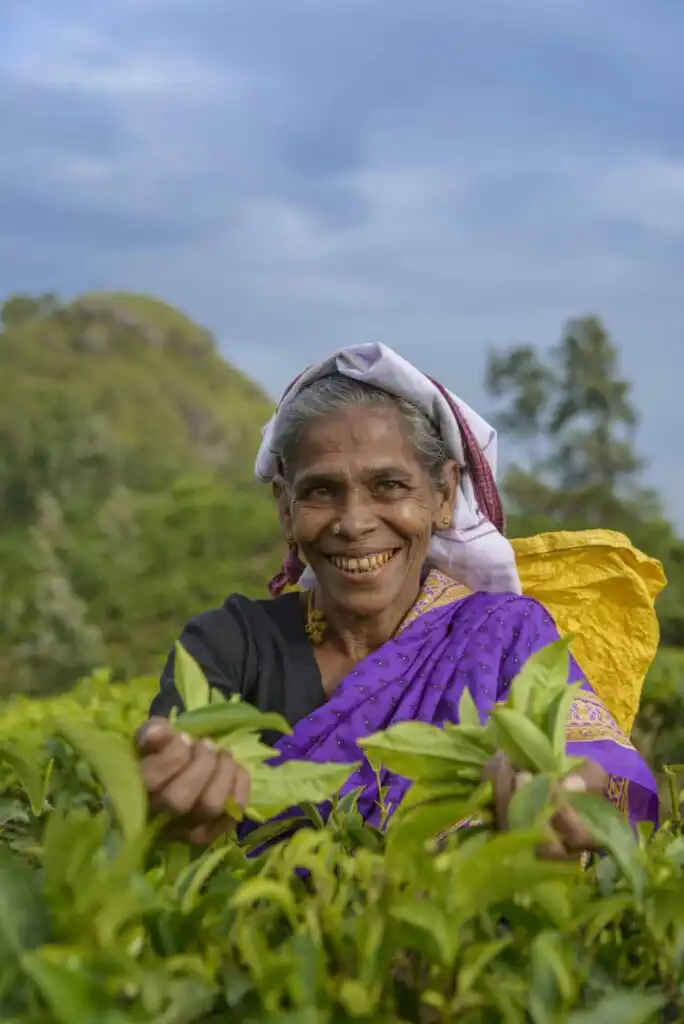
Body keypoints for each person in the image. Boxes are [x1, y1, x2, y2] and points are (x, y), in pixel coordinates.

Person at [137, 343, 661, 853]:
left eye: (388, 486)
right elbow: (170, 764)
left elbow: (600, 769)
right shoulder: (232, 642)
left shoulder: (504, 633)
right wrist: (175, 786)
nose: (354, 522)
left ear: (443, 495)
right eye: (320, 491)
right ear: (285, 507)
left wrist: (564, 792)